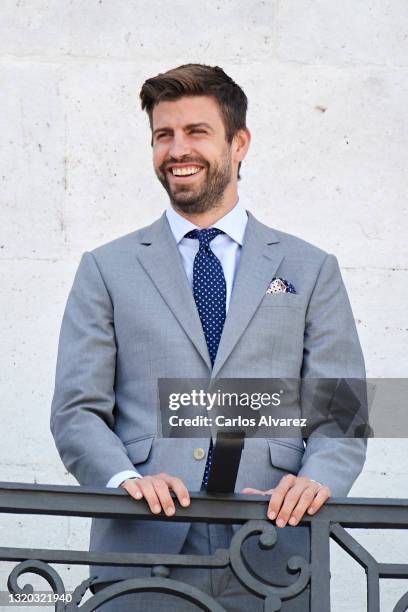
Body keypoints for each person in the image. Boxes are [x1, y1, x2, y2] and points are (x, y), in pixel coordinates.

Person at [50, 63, 366, 611]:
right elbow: (76, 410)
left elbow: (343, 408)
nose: (177, 150)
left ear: (238, 143)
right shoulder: (105, 268)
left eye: (196, 132)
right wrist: (124, 478)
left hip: (277, 545)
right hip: (141, 545)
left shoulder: (312, 268)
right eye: (163, 136)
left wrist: (317, 480)